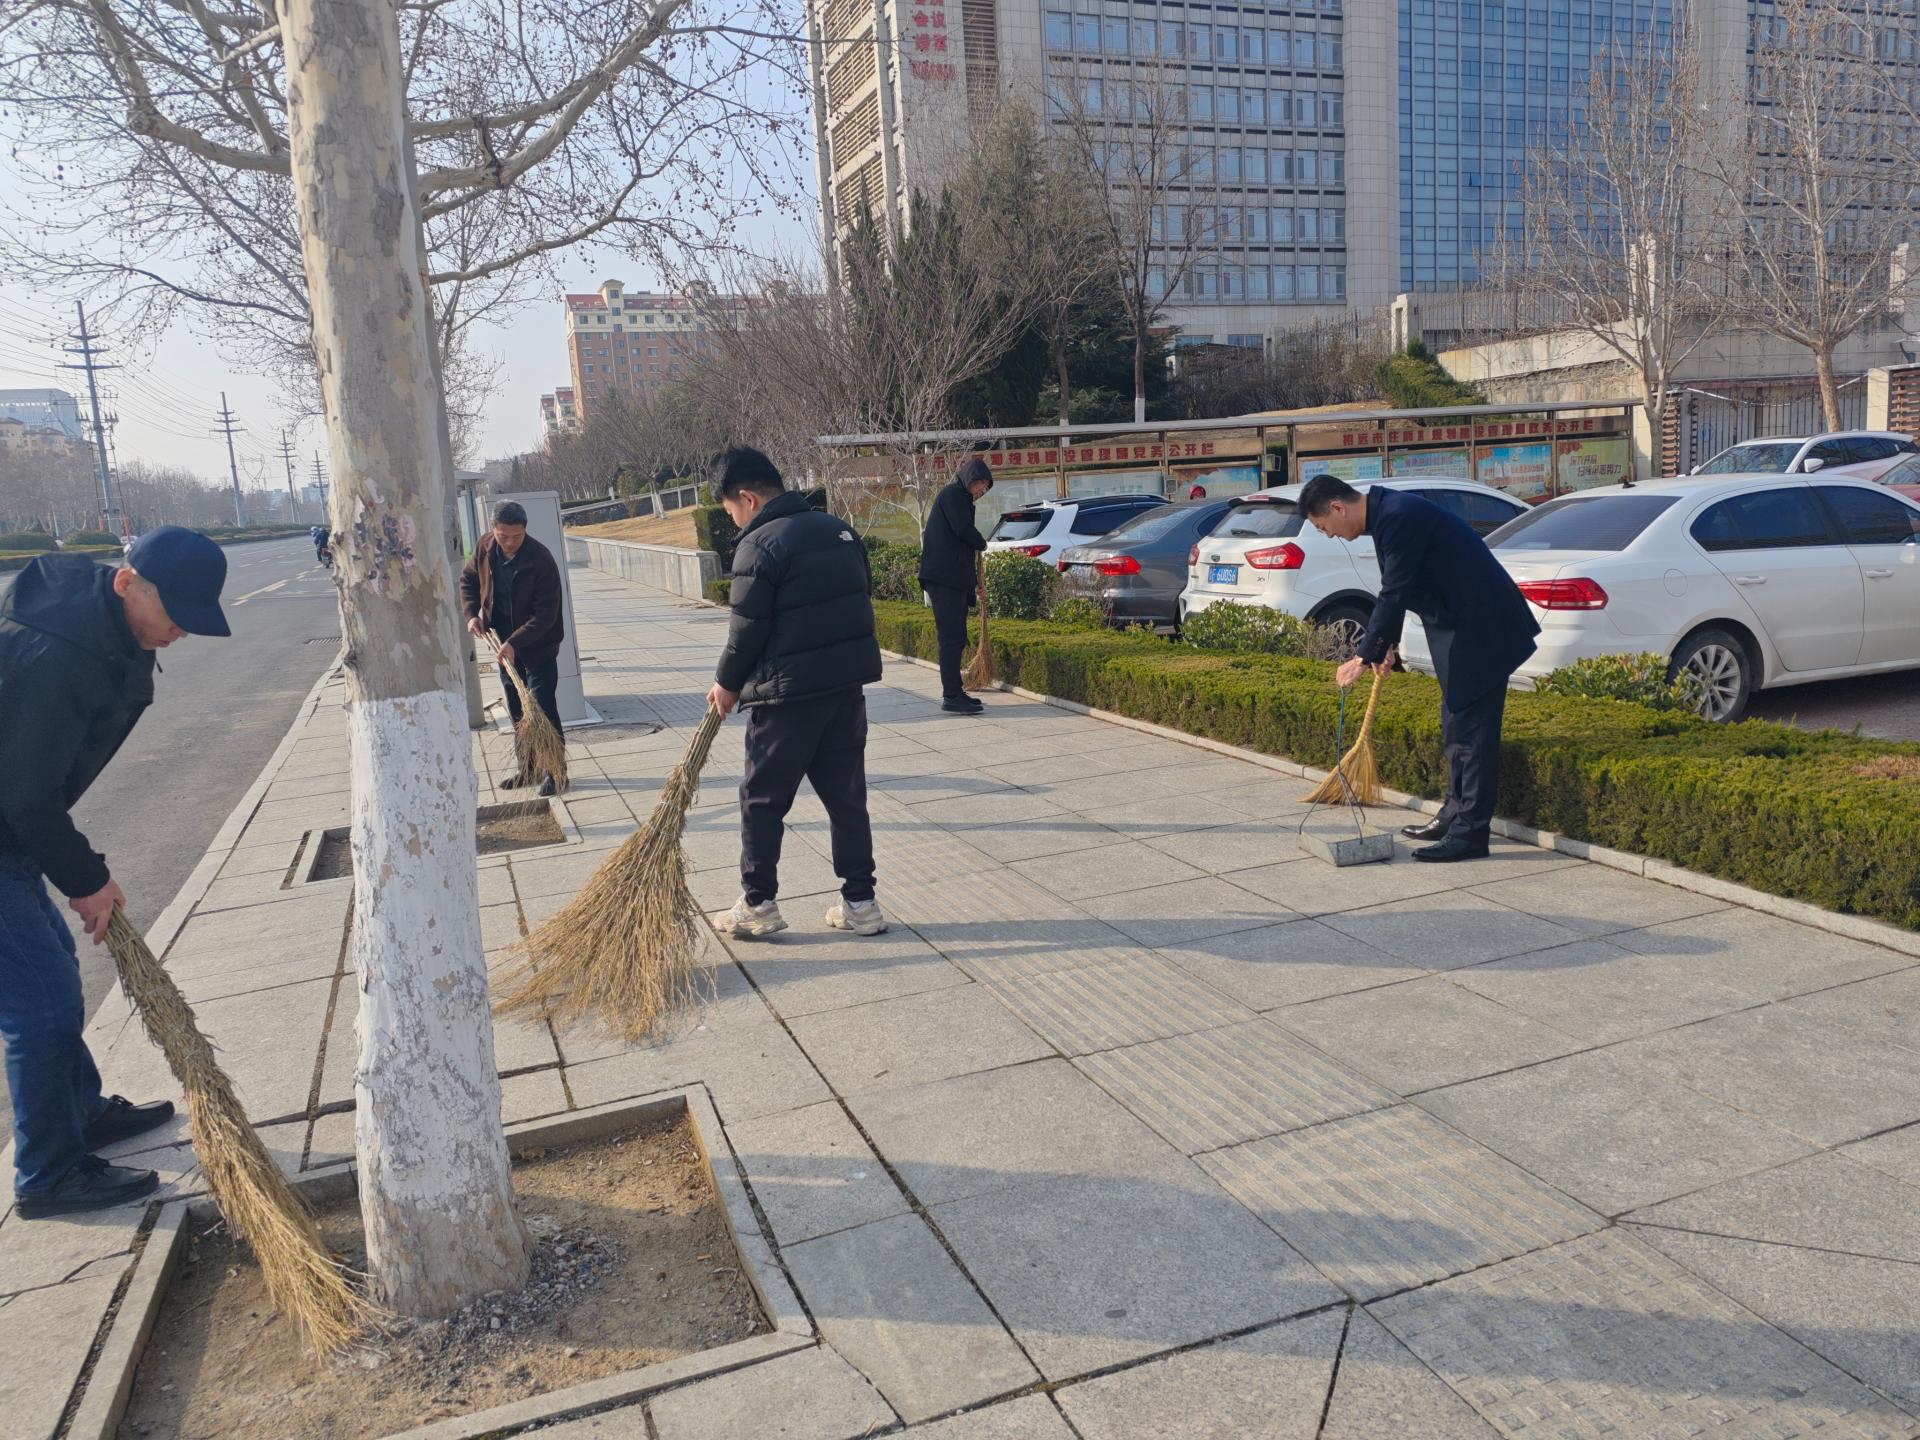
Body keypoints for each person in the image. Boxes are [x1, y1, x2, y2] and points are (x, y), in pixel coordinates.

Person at [0, 526, 231, 1217]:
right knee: (40, 1004)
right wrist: (86, 879)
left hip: (11, 830)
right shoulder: (58, 654)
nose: (181, 631)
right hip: (10, 820)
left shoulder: (96, 622)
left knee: (55, 971)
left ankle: (81, 1112)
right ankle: (49, 1174)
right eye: (175, 615)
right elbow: (26, 795)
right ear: (127, 582)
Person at [1299, 475, 1538, 862]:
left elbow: (1394, 590)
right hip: (1459, 626)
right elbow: (1403, 586)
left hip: (1482, 626)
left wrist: (1364, 656)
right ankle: (1453, 815)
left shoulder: (1398, 515)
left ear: (1338, 508)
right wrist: (1386, 646)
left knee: (1473, 733)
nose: (1329, 535)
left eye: (1323, 526)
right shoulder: (1388, 515)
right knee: (1456, 726)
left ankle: (1470, 834)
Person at [705, 447, 886, 940]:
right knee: (847, 800)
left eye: (730, 509)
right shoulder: (839, 531)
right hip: (845, 692)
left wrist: (726, 683)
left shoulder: (759, 545)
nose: (733, 520)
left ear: (747, 498)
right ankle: (861, 903)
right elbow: (858, 597)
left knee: (761, 801)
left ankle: (758, 904)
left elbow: (746, 631)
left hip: (787, 702)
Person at [460, 501, 566, 796]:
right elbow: (468, 580)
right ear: (493, 529)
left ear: (525, 530)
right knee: (517, 708)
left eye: (516, 536)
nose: (509, 542)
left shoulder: (540, 559)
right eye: (503, 536)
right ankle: (528, 769)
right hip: (503, 646)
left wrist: (514, 643)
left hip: (538, 646)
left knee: (542, 708)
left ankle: (556, 773)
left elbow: (545, 616)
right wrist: (471, 615)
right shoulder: (484, 547)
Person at [917, 457, 992, 715]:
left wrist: (973, 583)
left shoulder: (962, 499)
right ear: (970, 478)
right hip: (943, 579)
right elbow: (962, 529)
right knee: (950, 638)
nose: (982, 489)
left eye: (985, 486)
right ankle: (951, 695)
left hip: (951, 579)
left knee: (956, 637)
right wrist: (981, 542)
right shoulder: (953, 495)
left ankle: (956, 691)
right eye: (980, 483)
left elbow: (959, 549)